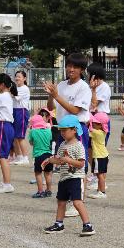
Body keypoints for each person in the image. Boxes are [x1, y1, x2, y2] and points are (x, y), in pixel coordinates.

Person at [44, 53, 92, 218]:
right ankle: (69, 198)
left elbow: (75, 110)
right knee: (64, 163)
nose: (70, 69)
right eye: (69, 65)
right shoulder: (62, 85)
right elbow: (51, 106)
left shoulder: (83, 87)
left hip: (77, 130)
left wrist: (57, 95)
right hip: (62, 129)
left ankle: (78, 202)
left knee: (78, 164)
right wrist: (51, 94)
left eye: (75, 66)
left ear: (81, 69)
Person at [42, 115, 95, 236]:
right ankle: (59, 224)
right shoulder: (62, 145)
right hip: (64, 178)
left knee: (77, 202)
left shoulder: (79, 146)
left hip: (76, 178)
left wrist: (68, 160)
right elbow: (60, 160)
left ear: (74, 130)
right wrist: (50, 160)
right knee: (61, 202)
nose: (62, 133)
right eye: (61, 130)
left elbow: (81, 163)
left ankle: (88, 225)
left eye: (65, 130)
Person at [28, 114, 53, 198]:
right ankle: (49, 190)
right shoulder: (49, 131)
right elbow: (50, 140)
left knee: (38, 173)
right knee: (48, 173)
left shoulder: (33, 131)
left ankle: (40, 191)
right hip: (48, 155)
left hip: (38, 155)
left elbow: (31, 143)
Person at [87, 112, 110, 199]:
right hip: (104, 155)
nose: (92, 123)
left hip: (98, 156)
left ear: (100, 125)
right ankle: (99, 190)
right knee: (102, 174)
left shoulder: (96, 133)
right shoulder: (103, 131)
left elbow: (87, 131)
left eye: (94, 123)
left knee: (99, 175)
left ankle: (102, 192)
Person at [87, 62, 112, 143]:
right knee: (90, 146)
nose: (87, 76)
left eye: (89, 73)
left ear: (94, 75)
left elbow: (94, 104)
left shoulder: (104, 87)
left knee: (99, 147)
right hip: (91, 117)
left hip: (100, 119)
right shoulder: (89, 86)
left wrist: (93, 89)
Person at [11, 70, 31, 165]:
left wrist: (8, 91)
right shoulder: (15, 87)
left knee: (20, 136)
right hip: (14, 111)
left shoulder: (24, 88)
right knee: (15, 136)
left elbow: (15, 96)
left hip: (21, 111)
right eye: (16, 76)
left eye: (19, 76)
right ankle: (18, 157)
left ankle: (25, 158)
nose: (17, 78)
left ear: (24, 78)